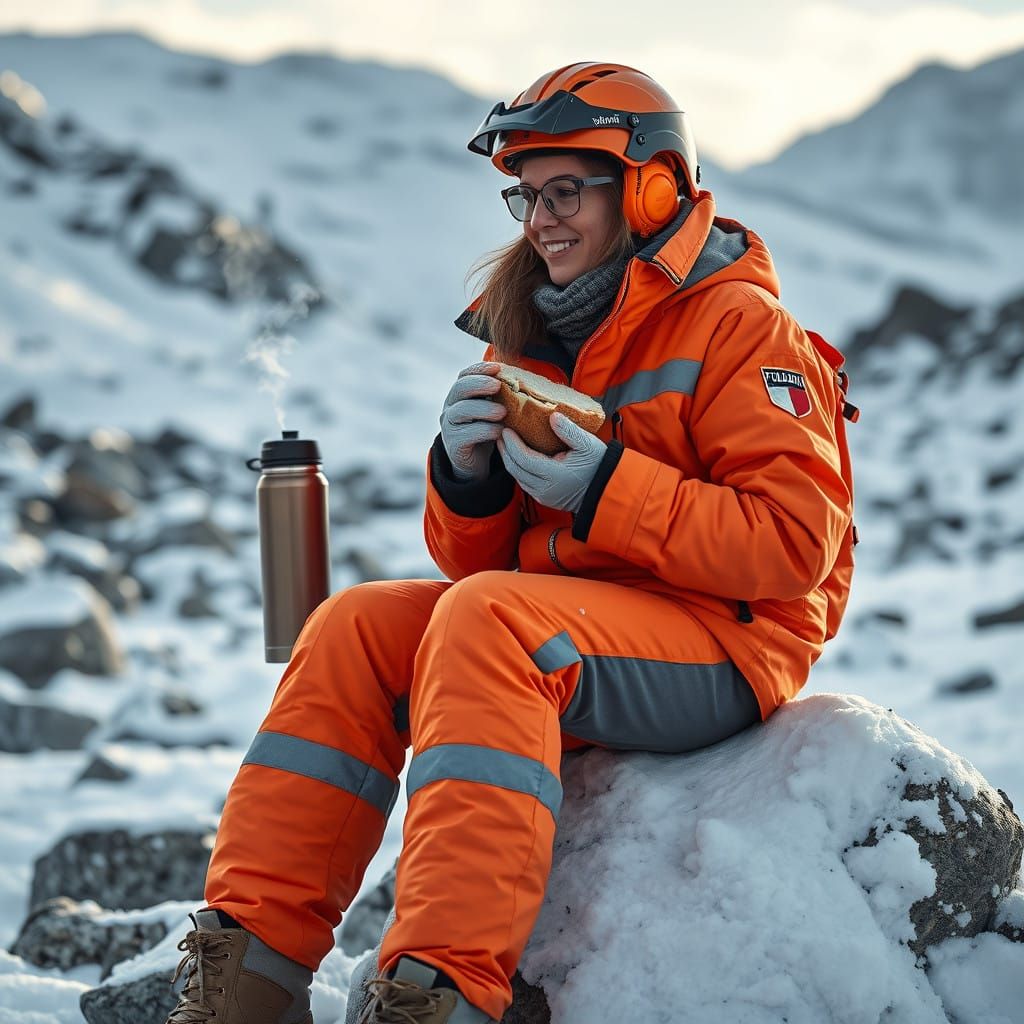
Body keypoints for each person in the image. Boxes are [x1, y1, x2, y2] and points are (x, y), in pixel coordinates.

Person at [165, 62, 855, 1024]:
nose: (539, 220)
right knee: (358, 623)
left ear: (652, 187)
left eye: (566, 190)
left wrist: (607, 488)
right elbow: (474, 570)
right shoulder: (529, 332)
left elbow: (793, 548)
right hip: (574, 628)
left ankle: (438, 993)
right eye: (526, 196)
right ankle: (247, 984)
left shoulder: (744, 326)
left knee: (493, 625)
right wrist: (469, 477)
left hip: (726, 644)